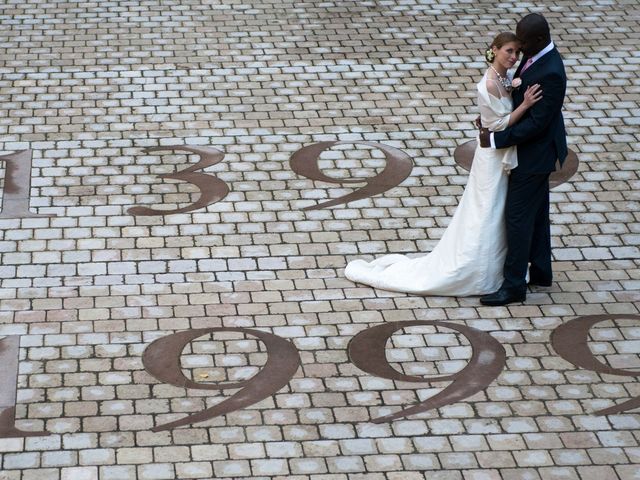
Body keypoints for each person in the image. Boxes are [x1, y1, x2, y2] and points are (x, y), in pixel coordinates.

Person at [343, 32, 542, 296]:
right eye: (508, 51)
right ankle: (480, 269)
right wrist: (525, 105)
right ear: (494, 50)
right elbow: (499, 125)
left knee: (498, 208)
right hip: (493, 156)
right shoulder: (490, 84)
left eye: (517, 52)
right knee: (488, 208)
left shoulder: (503, 78)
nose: (513, 57)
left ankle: (499, 266)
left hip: (499, 153)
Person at [479, 13, 568, 306]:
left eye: (523, 43)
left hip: (534, 155)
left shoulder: (551, 71)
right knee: (539, 213)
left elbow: (537, 124)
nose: (518, 48)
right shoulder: (536, 57)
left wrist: (495, 139)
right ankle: (541, 271)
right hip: (536, 152)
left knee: (517, 218)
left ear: (539, 40)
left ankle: (514, 285)